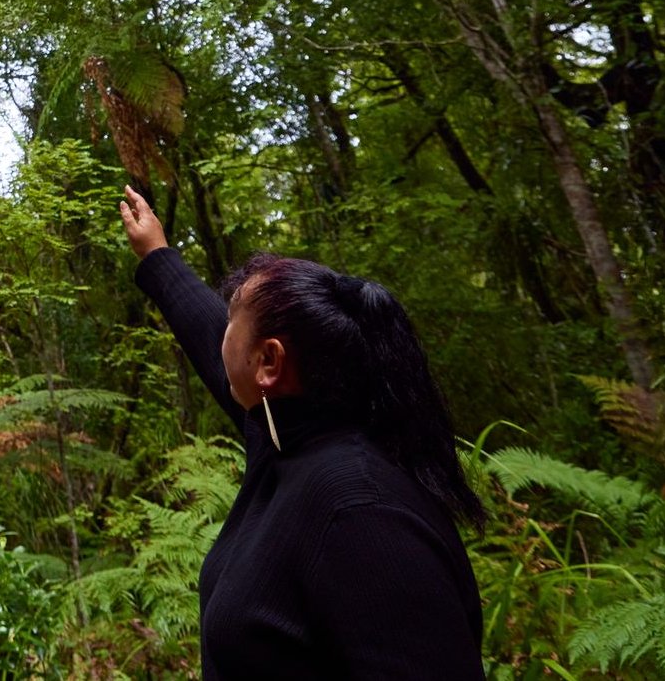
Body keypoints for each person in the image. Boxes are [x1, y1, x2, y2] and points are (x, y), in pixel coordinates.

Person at [119, 186, 484, 680]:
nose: (222, 332)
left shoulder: (362, 514)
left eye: (233, 321)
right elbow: (216, 349)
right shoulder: (291, 439)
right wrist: (158, 256)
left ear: (268, 361)